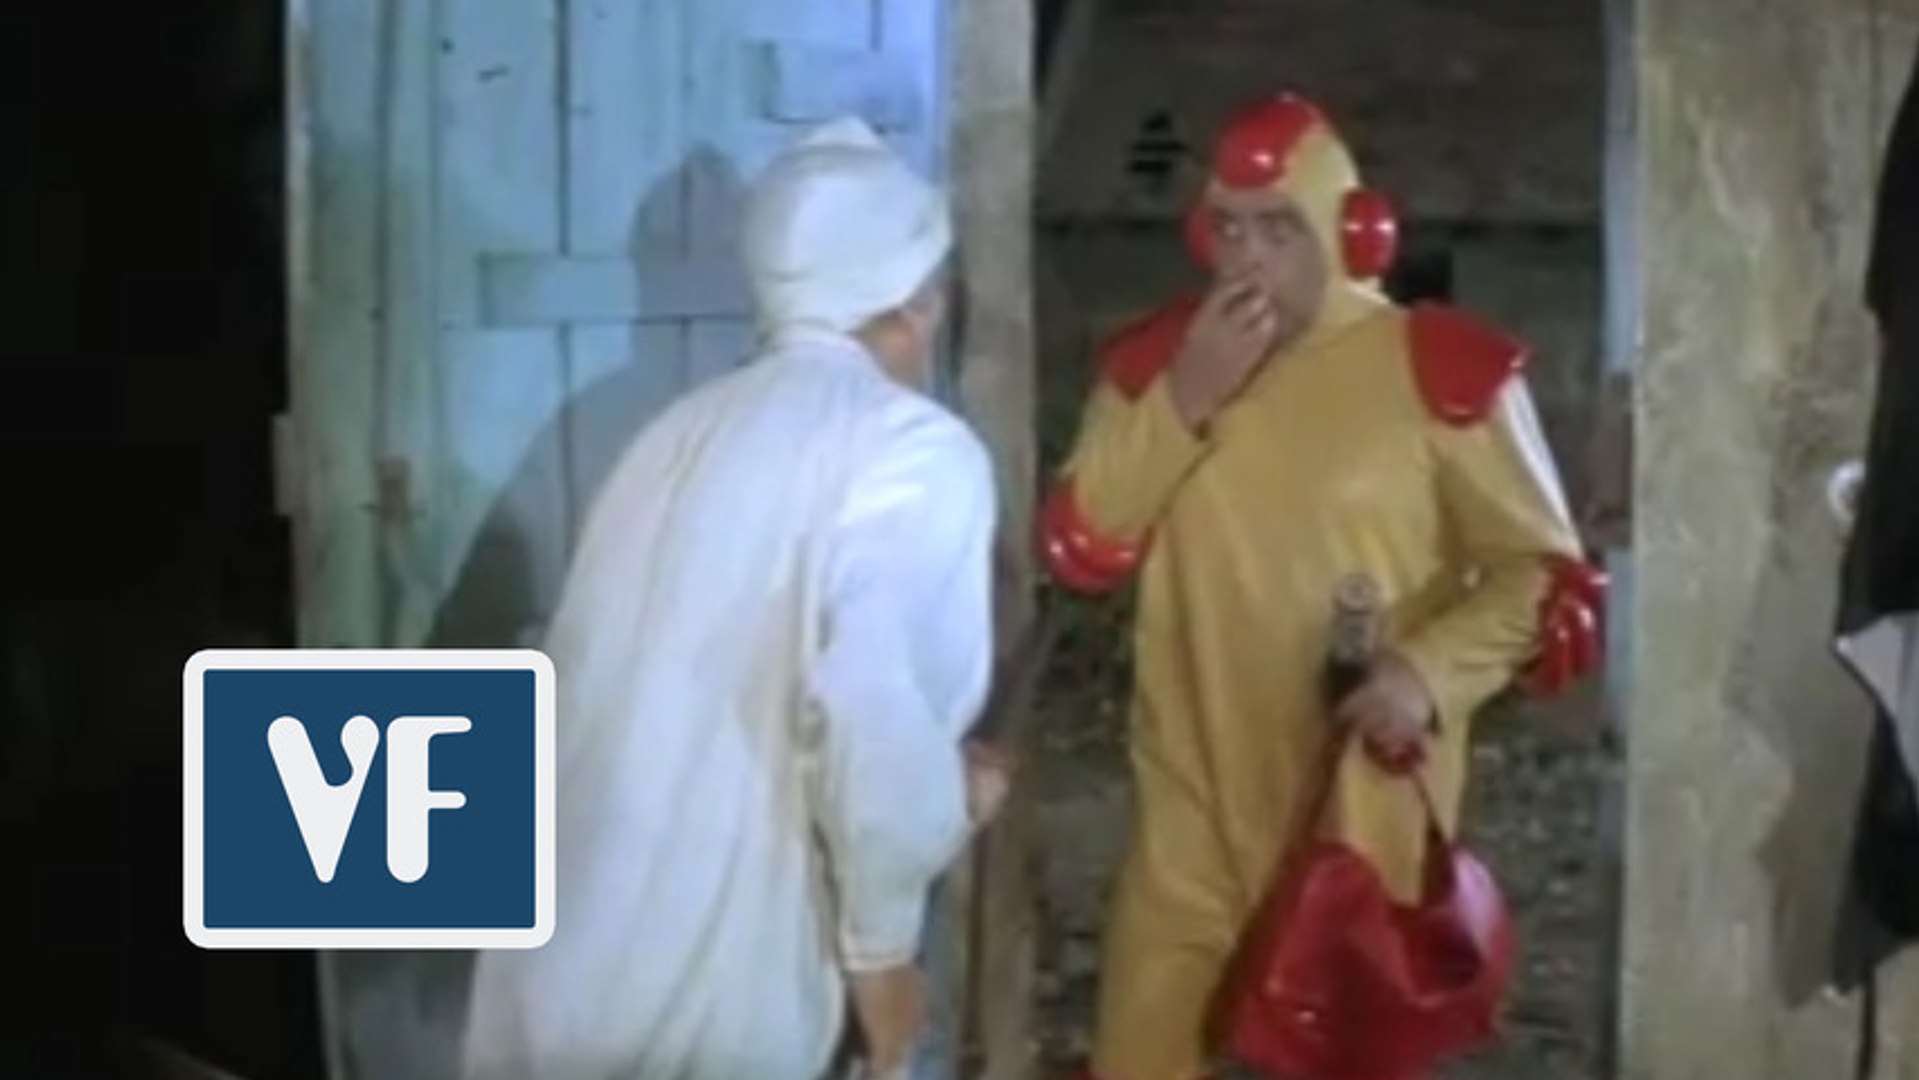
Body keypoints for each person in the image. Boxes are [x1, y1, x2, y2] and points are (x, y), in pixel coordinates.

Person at [1038, 92, 1604, 1080]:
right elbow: (1083, 543)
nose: (1246, 258)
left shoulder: (1436, 370)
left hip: (1358, 815)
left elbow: (1545, 578)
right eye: (1227, 229)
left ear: (1350, 231)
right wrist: (1186, 398)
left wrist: (1427, 673)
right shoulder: (1161, 364)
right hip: (1188, 813)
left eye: (1277, 230)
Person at [461, 117, 1010, 1080]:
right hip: (709, 995)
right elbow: (865, 715)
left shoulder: (673, 436)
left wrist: (933, 784)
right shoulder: (913, 449)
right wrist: (882, 956)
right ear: (914, 304)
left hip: (552, 971)